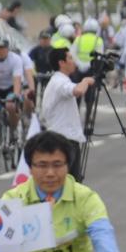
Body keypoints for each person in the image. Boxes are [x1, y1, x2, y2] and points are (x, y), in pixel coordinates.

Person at [38, 46, 92, 179]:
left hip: (62, 139)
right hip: (64, 141)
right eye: (70, 58)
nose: (73, 61)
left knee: (70, 184)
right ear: (61, 63)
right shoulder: (59, 82)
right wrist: (86, 80)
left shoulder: (58, 80)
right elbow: (78, 91)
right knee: (70, 184)